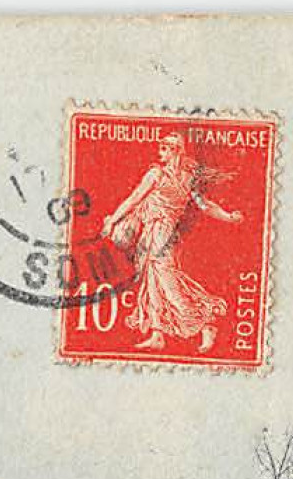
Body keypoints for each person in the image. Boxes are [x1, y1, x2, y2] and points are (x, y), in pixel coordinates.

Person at [100, 131, 245, 354]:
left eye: (164, 148)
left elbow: (135, 199)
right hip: (154, 232)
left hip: (162, 232)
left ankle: (204, 324)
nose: (160, 153)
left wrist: (227, 216)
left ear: (174, 150)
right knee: (151, 279)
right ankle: (157, 334)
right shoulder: (175, 177)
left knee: (167, 280)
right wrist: (228, 216)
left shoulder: (161, 176)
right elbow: (203, 205)